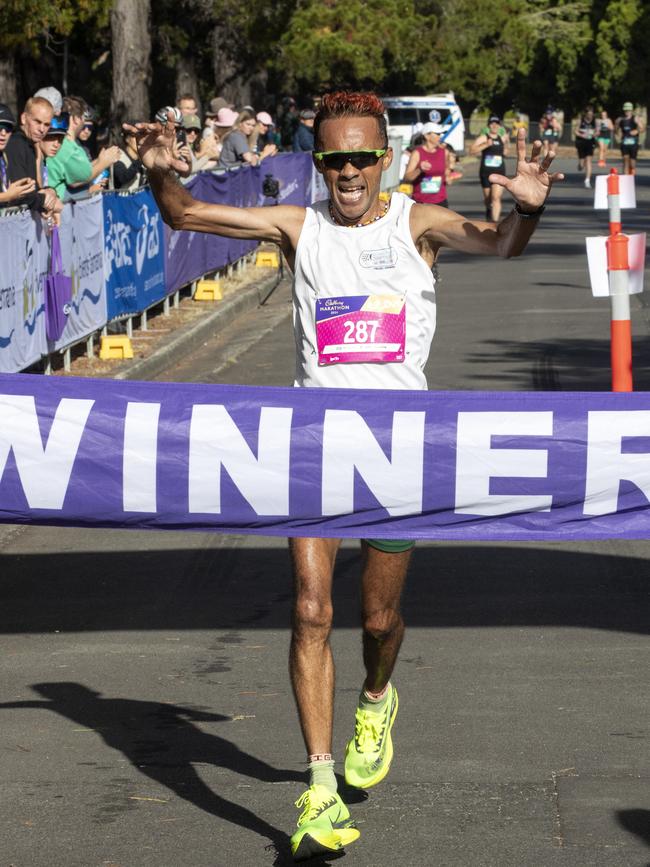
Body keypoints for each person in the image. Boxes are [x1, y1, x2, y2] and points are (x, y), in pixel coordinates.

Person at [128, 89, 562, 863]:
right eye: (334, 159)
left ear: (386, 158)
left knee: (379, 623)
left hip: (396, 449)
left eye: (363, 156)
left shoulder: (416, 223)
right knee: (310, 608)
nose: (350, 171)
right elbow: (187, 213)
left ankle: (375, 699)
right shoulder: (301, 225)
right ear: (319, 164)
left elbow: (500, 243)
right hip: (314, 444)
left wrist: (525, 210)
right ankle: (320, 787)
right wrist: (160, 172)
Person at [3, 95, 59, 215]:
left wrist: (51, 192)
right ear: (24, 118)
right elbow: (22, 193)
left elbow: (33, 189)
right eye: (37, 122)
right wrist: (46, 202)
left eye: (46, 124)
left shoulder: (29, 144)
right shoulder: (16, 143)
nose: (42, 129)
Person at [402, 120, 451, 208]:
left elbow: (447, 172)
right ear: (427, 136)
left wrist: (449, 178)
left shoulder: (445, 152)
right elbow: (407, 178)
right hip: (421, 202)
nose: (440, 137)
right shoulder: (417, 153)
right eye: (437, 134)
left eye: (440, 134)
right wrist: (419, 169)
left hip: (440, 201)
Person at [470, 114, 510, 220]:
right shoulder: (484, 137)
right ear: (488, 125)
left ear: (499, 126)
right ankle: (489, 210)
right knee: (488, 199)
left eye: (496, 123)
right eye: (492, 123)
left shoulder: (502, 138)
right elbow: (472, 150)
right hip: (485, 173)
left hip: (499, 172)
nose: (494, 125)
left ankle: (494, 223)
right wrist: (486, 145)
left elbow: (505, 153)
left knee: (496, 198)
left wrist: (506, 146)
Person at [0, 103, 36, 209]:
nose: (3, 133)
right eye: (0, 127)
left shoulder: (4, 156)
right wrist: (7, 196)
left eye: (8, 128)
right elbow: (8, 195)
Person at [616, 101, 643, 175]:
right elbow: (616, 130)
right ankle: (625, 179)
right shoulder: (620, 119)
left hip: (633, 143)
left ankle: (632, 170)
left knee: (632, 163)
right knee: (625, 160)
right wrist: (618, 135)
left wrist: (636, 131)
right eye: (625, 110)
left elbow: (642, 128)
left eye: (628, 110)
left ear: (631, 110)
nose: (627, 112)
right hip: (624, 142)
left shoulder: (635, 118)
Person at [574, 106, 596, 188]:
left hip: (590, 142)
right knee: (582, 164)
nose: (590, 115)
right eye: (588, 114)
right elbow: (575, 131)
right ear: (586, 114)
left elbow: (597, 131)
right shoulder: (581, 121)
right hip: (581, 142)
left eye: (591, 114)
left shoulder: (595, 121)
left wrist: (594, 134)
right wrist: (582, 135)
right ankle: (580, 165)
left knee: (588, 161)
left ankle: (587, 180)